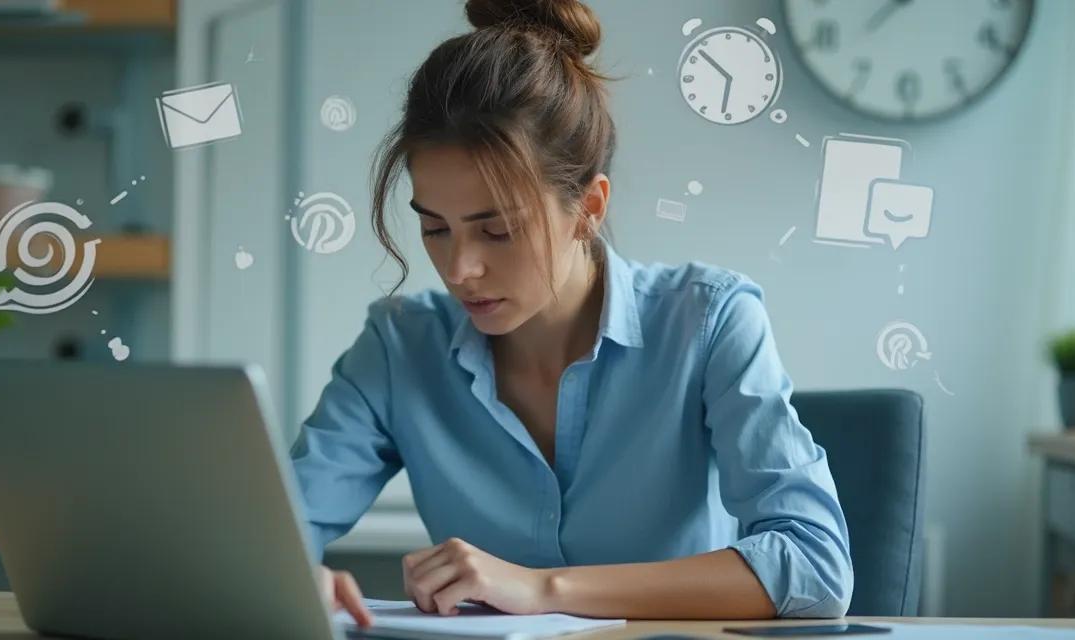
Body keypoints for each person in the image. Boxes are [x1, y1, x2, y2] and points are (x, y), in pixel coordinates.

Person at [295, 0, 852, 628]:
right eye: (435, 228)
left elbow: (814, 567)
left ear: (588, 207)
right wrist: (290, 575)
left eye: (497, 231)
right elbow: (272, 532)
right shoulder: (399, 347)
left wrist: (543, 588)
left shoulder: (711, 321)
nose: (459, 269)